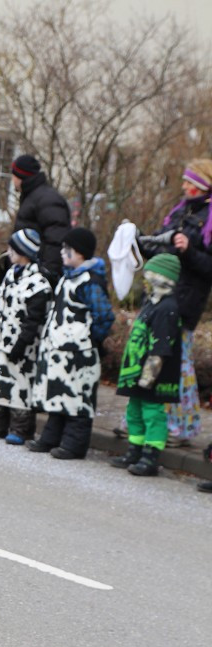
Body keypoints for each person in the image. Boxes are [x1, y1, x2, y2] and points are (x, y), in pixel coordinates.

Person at [137, 158, 212, 447]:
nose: (183, 186)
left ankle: (179, 425)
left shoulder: (208, 219)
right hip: (159, 298)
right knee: (153, 359)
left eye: (189, 182)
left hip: (185, 303)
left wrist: (189, 249)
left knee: (177, 365)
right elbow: (160, 247)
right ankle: (150, 418)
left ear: (203, 185)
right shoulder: (179, 212)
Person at [30, 227, 115, 459]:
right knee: (59, 395)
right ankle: (51, 437)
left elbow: (104, 316)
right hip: (60, 351)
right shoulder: (68, 277)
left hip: (79, 352)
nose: (62, 253)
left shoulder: (90, 281)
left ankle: (74, 444)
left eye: (68, 249)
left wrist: (88, 339)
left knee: (78, 400)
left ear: (81, 253)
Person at [0, 229, 52, 444]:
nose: (8, 252)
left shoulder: (38, 284)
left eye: (12, 249)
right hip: (0, 340)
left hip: (22, 346)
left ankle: (21, 429)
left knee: (20, 385)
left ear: (24, 252)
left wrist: (22, 343)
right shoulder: (11, 273)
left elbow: (33, 320)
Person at [110, 254, 182, 477]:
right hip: (138, 371)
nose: (145, 281)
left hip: (154, 375)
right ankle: (135, 449)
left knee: (153, 413)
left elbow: (161, 346)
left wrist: (148, 377)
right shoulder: (152, 302)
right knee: (134, 410)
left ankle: (151, 455)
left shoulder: (167, 308)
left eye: (150, 276)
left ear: (161, 278)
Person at [11, 155, 70, 284]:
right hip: (29, 273)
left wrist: (47, 273)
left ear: (19, 176)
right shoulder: (31, 197)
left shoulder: (47, 199)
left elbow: (56, 238)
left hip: (39, 277)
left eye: (13, 175)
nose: (12, 179)